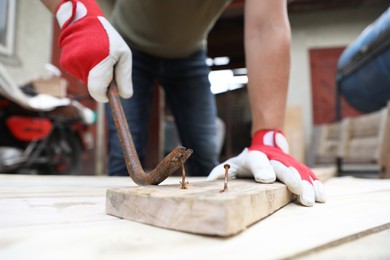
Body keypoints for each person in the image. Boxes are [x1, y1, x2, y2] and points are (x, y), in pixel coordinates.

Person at [41, 0, 326, 206]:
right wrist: (75, 11)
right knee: (124, 158)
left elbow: (268, 25)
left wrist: (268, 134)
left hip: (190, 54)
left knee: (203, 156)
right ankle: (122, 227)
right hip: (129, 47)